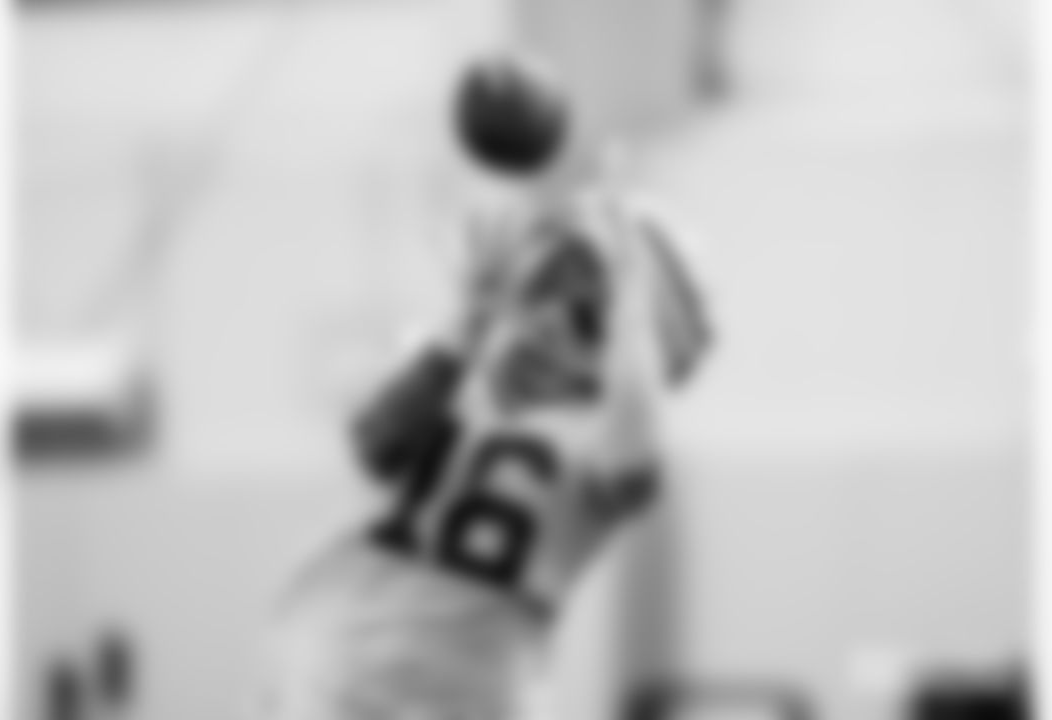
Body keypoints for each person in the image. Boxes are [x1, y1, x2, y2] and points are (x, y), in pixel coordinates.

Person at [257, 51, 712, 720]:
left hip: (461, 695)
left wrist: (632, 305)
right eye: (547, 287)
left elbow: (637, 462)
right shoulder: (457, 376)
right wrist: (464, 326)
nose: (551, 321)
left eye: (586, 315)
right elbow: (373, 446)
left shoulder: (599, 433)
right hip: (330, 678)